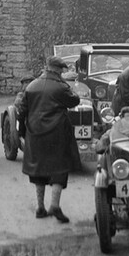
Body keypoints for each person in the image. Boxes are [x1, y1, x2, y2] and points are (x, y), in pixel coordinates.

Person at [15, 56, 81, 223]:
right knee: (59, 169)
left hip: (35, 134)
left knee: (38, 170)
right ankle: (55, 205)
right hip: (57, 134)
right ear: (58, 70)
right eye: (61, 70)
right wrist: (65, 83)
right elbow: (75, 100)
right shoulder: (60, 87)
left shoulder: (31, 86)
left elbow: (21, 112)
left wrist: (22, 132)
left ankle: (40, 207)